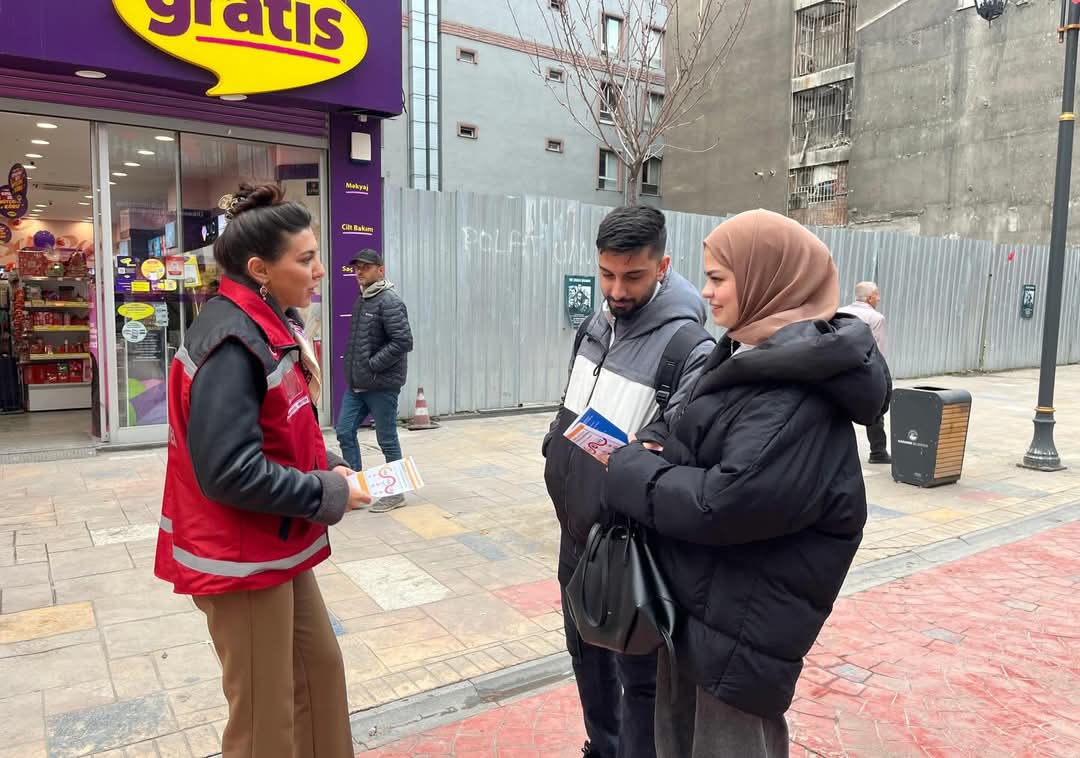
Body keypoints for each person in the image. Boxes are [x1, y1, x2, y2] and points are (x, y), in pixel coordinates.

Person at [604, 209, 890, 758]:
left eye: (718, 278)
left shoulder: (792, 392)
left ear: (767, 280)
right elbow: (683, 428)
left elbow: (722, 503)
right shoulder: (748, 353)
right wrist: (654, 447)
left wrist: (630, 470)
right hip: (701, 611)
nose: (705, 292)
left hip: (739, 637)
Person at [155, 183, 371, 758]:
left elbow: (280, 427)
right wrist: (327, 491)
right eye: (306, 259)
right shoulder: (232, 342)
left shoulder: (268, 325)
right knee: (264, 719)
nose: (321, 270)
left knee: (317, 675)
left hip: (276, 542)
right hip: (241, 559)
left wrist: (330, 465)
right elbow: (229, 471)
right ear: (260, 270)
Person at [543, 206, 714, 758]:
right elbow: (570, 407)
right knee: (585, 659)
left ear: (663, 266)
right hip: (575, 535)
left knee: (639, 683)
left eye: (633, 276)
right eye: (607, 275)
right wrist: (554, 446)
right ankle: (602, 747)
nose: (617, 291)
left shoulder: (690, 349)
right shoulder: (593, 327)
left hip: (631, 546)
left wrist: (623, 457)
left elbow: (674, 453)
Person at [336, 248, 414, 512]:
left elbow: (403, 341)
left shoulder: (389, 300)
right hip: (358, 384)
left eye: (366, 267)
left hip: (381, 385)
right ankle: (356, 490)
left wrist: (372, 365)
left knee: (386, 438)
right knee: (344, 430)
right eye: (357, 267)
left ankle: (396, 493)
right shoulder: (363, 298)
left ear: (380, 270)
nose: (359, 271)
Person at [839, 281, 891, 463]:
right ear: (870, 298)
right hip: (865, 371)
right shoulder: (876, 318)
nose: (879, 298)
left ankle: (838, 452)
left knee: (839, 410)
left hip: (840, 369)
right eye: (877, 294)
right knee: (876, 410)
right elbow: (879, 351)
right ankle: (878, 452)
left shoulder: (840, 312)